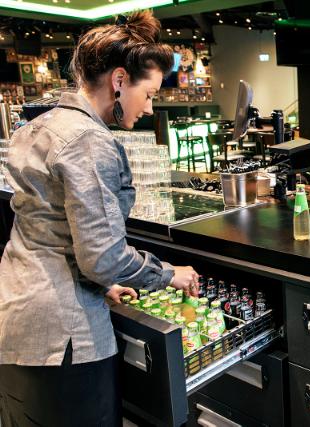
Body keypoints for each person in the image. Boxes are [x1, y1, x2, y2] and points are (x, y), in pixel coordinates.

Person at [0, 11, 199, 426]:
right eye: (149, 94)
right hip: (64, 336)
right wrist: (168, 274)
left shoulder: (41, 125)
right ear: (120, 80)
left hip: (18, 318)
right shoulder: (90, 142)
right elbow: (102, 256)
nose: (149, 108)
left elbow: (52, 229)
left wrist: (104, 284)